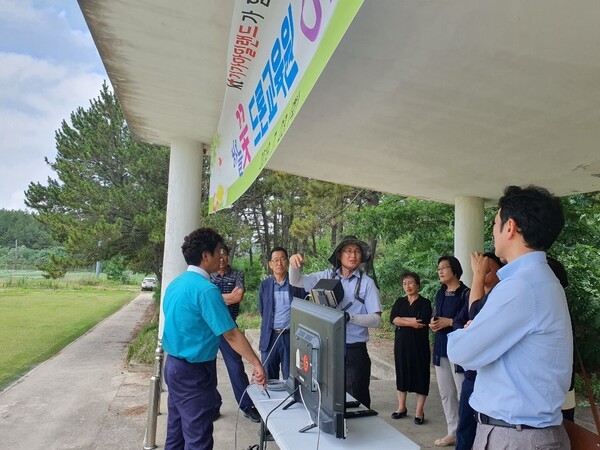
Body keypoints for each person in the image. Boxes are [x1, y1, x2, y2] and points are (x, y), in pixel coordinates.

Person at [448, 185, 572, 450]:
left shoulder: (521, 286)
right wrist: (476, 331)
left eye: (495, 223)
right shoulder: (538, 280)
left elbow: (461, 352)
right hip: (518, 433)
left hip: (517, 438)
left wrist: (469, 332)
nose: (493, 230)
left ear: (510, 227)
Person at [161, 227, 266, 450]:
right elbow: (231, 333)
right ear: (205, 255)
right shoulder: (207, 290)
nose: (222, 257)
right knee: (198, 438)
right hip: (194, 373)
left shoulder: (175, 284)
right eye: (219, 251)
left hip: (174, 367)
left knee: (176, 432)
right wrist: (256, 363)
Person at [289, 235, 382, 409]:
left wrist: (349, 317)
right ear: (339, 255)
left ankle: (361, 434)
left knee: (356, 400)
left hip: (354, 351)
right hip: (328, 349)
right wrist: (294, 264)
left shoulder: (367, 284)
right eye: (348, 251)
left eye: (357, 251)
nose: (353, 255)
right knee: (329, 397)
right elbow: (296, 281)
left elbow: (376, 319)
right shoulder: (326, 275)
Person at [454, 252, 504, 450]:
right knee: (465, 426)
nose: (481, 274)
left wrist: (472, 329)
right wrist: (465, 330)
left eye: (487, 270)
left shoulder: (502, 296)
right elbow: (460, 320)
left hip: (491, 377)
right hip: (471, 376)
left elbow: (475, 315)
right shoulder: (470, 295)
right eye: (479, 270)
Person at [210, 244, 260, 423]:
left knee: (236, 367)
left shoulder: (237, 274)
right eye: (219, 254)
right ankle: (213, 405)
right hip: (210, 328)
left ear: (228, 256)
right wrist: (225, 298)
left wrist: (214, 298)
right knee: (209, 369)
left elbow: (238, 297)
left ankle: (247, 405)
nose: (221, 258)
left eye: (224, 254)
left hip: (229, 327)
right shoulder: (209, 276)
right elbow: (225, 298)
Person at [429, 255, 470, 447]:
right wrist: (434, 323)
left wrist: (450, 322)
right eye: (438, 268)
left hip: (459, 349)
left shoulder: (466, 293)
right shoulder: (440, 292)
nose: (440, 271)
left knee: (463, 392)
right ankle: (452, 431)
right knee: (446, 393)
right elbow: (436, 314)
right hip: (441, 346)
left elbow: (471, 321)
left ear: (455, 270)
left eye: (444, 267)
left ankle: (466, 432)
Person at [258, 246, 307, 380]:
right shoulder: (265, 285)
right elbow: (263, 310)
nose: (279, 263)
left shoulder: (297, 284)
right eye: (275, 260)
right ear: (270, 264)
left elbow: (304, 307)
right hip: (270, 337)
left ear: (287, 262)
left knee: (291, 378)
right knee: (268, 378)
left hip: (290, 337)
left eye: (282, 259)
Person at [389, 271, 431, 425]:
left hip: (419, 346)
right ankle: (401, 407)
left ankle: (419, 411)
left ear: (418, 285)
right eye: (405, 283)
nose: (408, 286)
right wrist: (411, 322)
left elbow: (423, 320)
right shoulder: (400, 302)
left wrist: (403, 320)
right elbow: (393, 319)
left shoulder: (425, 303)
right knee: (402, 373)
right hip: (401, 345)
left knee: (421, 375)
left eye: (411, 283)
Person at [547, 256, 576, 422]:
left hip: (557, 385)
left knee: (564, 425)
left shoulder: (554, 305)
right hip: (562, 382)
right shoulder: (560, 303)